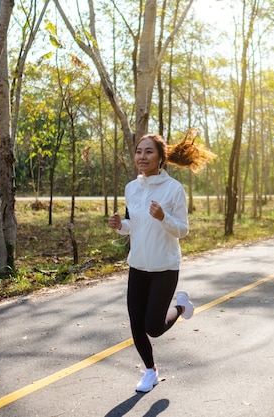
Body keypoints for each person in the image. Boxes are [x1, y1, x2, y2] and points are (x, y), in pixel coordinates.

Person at [108, 130, 215, 393]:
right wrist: (121, 225)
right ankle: (150, 371)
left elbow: (182, 230)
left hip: (165, 267)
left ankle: (180, 307)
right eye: (138, 151)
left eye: (148, 151)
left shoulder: (173, 189)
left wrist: (163, 217)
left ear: (160, 157)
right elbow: (134, 224)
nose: (141, 156)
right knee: (136, 323)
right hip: (138, 266)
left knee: (153, 327)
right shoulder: (131, 188)